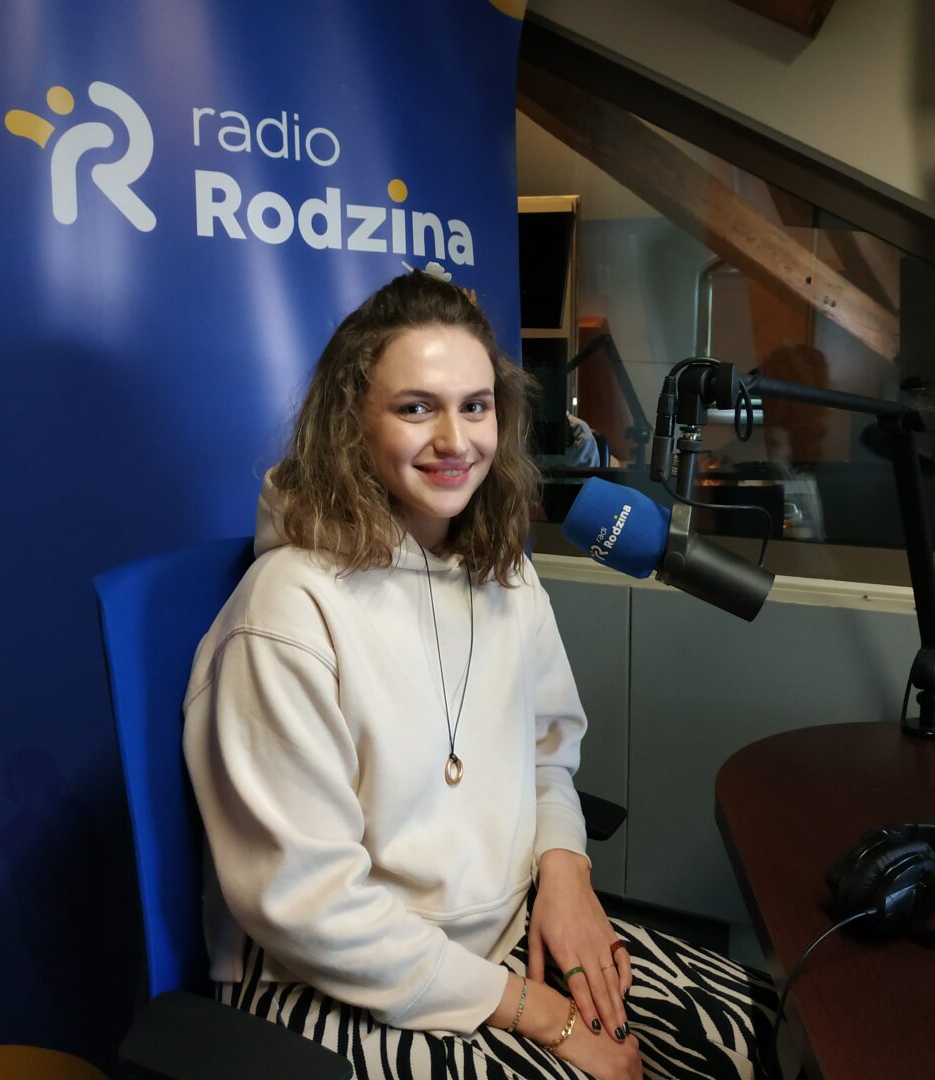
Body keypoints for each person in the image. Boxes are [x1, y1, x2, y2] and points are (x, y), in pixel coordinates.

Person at [183, 270, 775, 1079]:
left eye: (475, 406)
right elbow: (310, 906)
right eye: (415, 407)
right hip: (330, 984)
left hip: (499, 940)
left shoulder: (503, 571)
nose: (455, 440)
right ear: (350, 424)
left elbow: (547, 754)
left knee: (766, 1032)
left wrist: (566, 871)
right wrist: (544, 1016)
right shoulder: (286, 609)